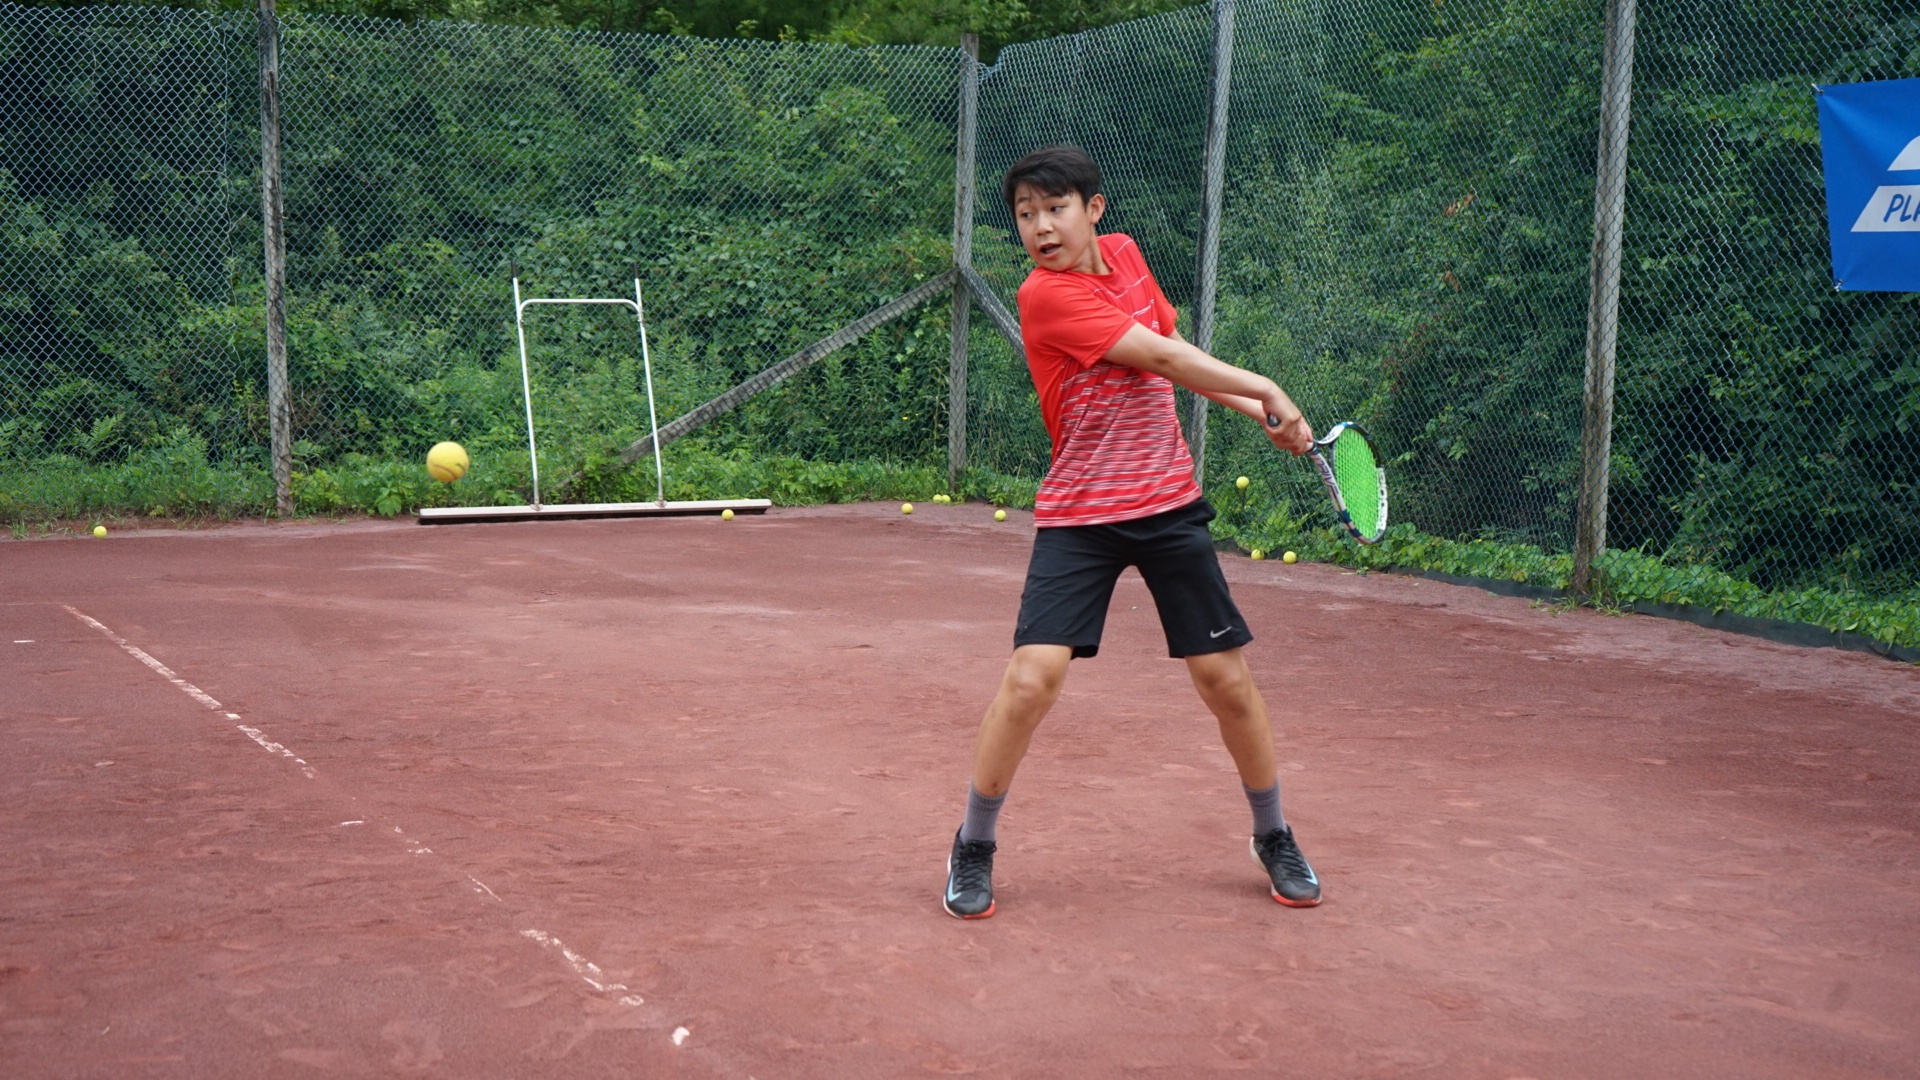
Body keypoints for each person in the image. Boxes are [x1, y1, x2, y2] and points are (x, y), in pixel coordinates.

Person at [942, 144, 1321, 919]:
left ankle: (1273, 833)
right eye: (1025, 215)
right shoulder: (1044, 296)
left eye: (1055, 209)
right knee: (1031, 679)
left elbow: (1172, 361)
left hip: (1168, 504)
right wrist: (1267, 386)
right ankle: (973, 843)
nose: (1041, 227)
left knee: (1226, 682)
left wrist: (1260, 414)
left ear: (1093, 210)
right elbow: (1159, 355)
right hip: (1082, 517)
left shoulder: (1125, 256)